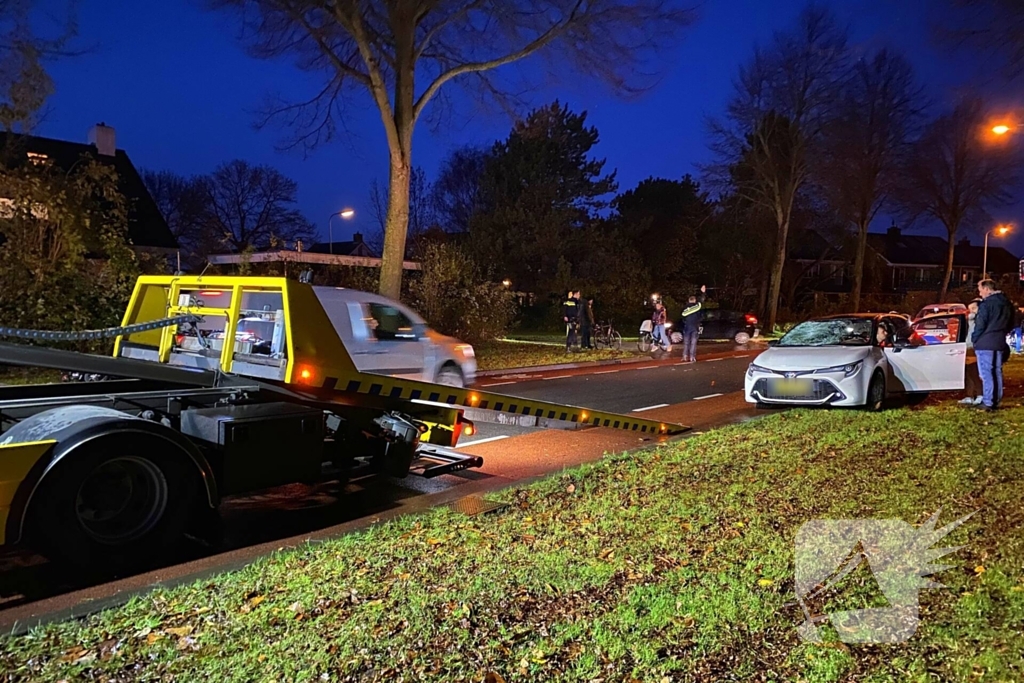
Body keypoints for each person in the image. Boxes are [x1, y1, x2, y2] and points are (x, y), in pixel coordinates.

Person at [972, 280, 1015, 412]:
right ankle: (995, 400)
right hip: (999, 341)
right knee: (996, 371)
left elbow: (981, 324)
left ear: (986, 289)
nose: (980, 293)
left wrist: (975, 338)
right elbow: (1011, 322)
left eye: (980, 289)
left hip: (985, 342)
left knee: (986, 373)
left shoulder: (986, 304)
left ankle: (988, 401)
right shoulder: (1006, 303)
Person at [960, 299, 985, 406]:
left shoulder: (981, 319)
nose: (971, 311)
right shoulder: (969, 321)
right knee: (968, 373)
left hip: (975, 347)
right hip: (968, 346)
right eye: (969, 309)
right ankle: (969, 396)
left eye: (974, 308)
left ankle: (980, 394)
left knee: (974, 372)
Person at [679, 285, 706, 362]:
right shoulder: (697, 307)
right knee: (693, 343)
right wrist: (703, 292)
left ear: (689, 300)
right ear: (694, 300)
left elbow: (682, 317)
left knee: (686, 343)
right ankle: (692, 357)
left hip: (687, 327)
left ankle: (684, 356)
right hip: (695, 327)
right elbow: (701, 301)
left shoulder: (684, 308)